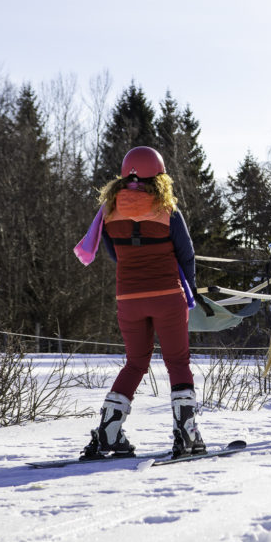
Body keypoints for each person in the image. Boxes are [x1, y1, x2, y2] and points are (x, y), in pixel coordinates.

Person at [80, 145, 206, 460]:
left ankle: (109, 430)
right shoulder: (168, 210)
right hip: (167, 296)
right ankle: (186, 433)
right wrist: (189, 290)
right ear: (159, 176)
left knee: (136, 363)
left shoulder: (109, 213)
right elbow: (186, 253)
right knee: (177, 362)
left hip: (129, 299)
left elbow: (113, 254)